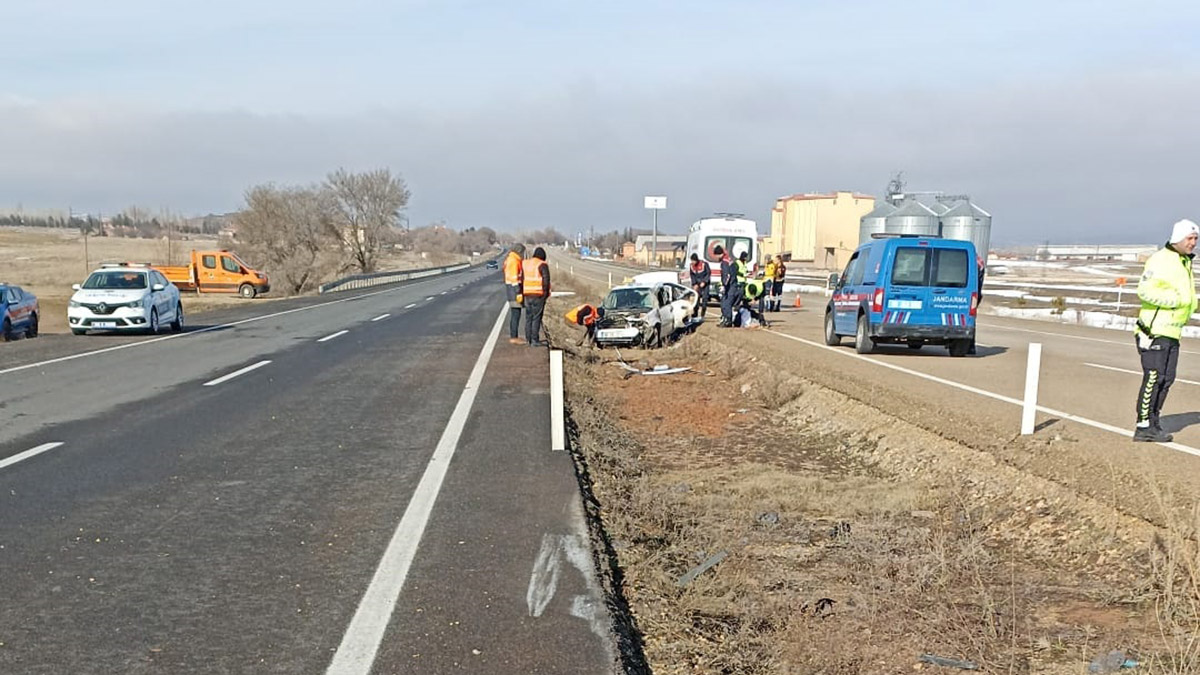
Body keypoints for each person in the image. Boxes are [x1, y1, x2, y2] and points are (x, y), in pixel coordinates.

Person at [1132, 219, 1198, 442]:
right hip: (1154, 330)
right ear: (1178, 238)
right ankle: (1143, 426)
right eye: (1190, 238)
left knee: (1166, 379)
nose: (1193, 243)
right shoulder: (1161, 260)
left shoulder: (1183, 261)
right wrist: (1176, 301)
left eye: (1196, 238)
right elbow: (1144, 291)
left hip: (1172, 331)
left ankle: (1153, 421)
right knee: (1153, 377)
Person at [522, 247, 551, 347]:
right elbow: (546, 281)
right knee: (536, 318)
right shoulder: (542, 264)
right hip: (538, 295)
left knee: (528, 317)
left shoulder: (525, 263)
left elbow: (521, 279)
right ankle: (534, 340)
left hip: (527, 294)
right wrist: (546, 294)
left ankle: (528, 339)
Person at [503, 243, 526, 344]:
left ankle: (514, 336)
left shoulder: (511, 259)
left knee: (516, 313)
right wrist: (518, 291)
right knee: (515, 314)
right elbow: (514, 278)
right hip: (514, 290)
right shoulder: (514, 260)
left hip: (511, 289)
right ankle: (514, 337)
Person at [717, 245, 737, 327]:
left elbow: (727, 275)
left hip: (730, 285)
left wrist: (724, 285)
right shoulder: (729, 259)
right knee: (725, 302)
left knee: (726, 303)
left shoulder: (725, 262)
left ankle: (728, 320)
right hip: (732, 284)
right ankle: (725, 319)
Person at [688, 253, 709, 319]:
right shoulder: (691, 266)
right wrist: (694, 284)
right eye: (691, 261)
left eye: (693, 261)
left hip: (705, 284)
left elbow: (708, 273)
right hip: (697, 284)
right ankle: (695, 315)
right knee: (696, 300)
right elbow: (692, 275)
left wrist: (704, 282)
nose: (692, 262)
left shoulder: (704, 264)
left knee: (705, 299)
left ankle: (703, 313)